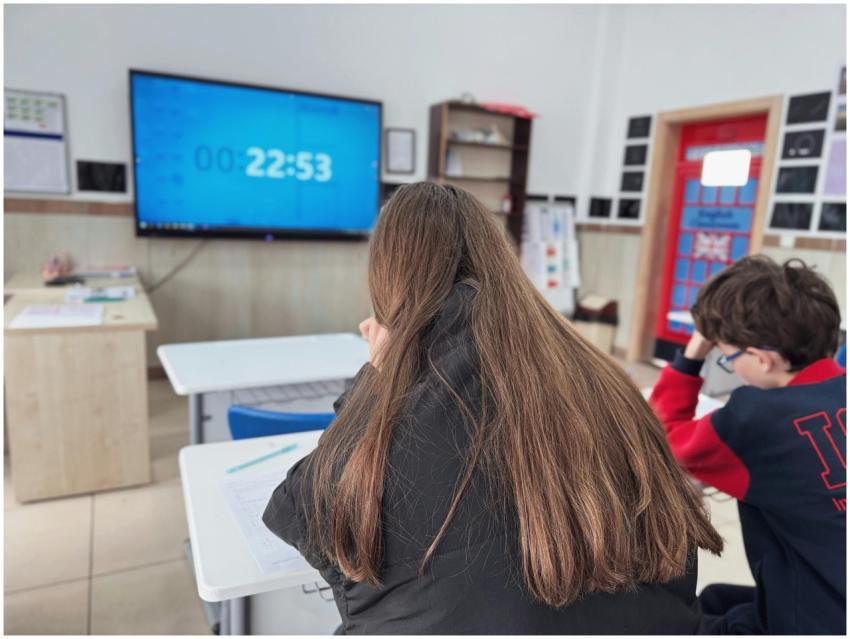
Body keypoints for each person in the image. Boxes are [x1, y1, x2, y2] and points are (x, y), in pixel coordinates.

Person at [264, 182, 722, 633]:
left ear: (386, 276)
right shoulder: (600, 373)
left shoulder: (394, 408)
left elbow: (297, 510)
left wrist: (378, 375)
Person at [649, 255, 846, 634]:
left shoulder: (756, 419)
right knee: (720, 598)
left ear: (761, 359)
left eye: (726, 357)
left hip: (815, 620)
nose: (729, 365)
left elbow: (659, 441)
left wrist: (694, 353)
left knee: (687, 618)